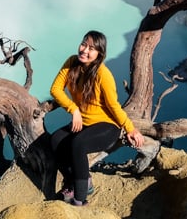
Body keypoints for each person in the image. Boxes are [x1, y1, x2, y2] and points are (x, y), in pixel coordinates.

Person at [49, 30, 145, 206]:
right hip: (83, 123)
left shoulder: (103, 74)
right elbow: (55, 89)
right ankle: (80, 182)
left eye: (91, 48)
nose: (85, 50)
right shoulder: (71, 62)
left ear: (99, 53)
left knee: (78, 144)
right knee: (56, 140)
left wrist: (130, 128)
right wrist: (74, 110)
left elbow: (113, 106)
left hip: (107, 126)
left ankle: (80, 199)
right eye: (84, 44)